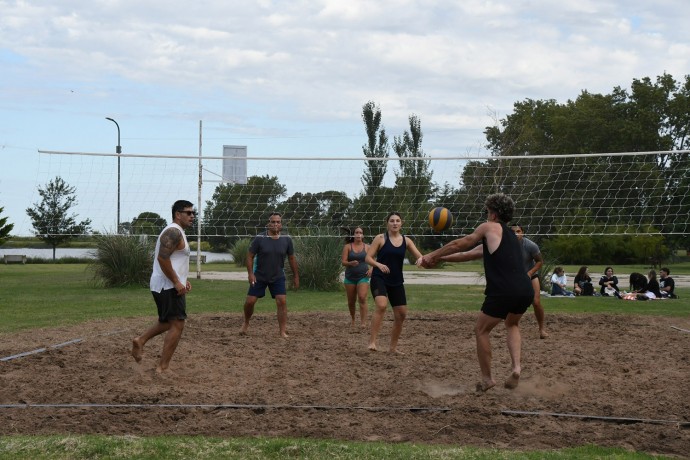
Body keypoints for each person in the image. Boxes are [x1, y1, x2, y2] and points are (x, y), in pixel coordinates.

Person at [421, 193, 534, 392]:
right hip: (525, 288)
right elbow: (468, 254)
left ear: (492, 214)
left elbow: (461, 243)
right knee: (512, 323)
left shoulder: (488, 227)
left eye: (487, 211)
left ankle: (487, 379)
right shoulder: (509, 238)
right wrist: (441, 260)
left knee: (481, 330)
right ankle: (516, 368)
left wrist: (432, 254)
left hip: (503, 290)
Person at [131, 200, 195, 373]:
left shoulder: (178, 231)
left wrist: (182, 279)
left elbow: (174, 260)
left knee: (167, 322)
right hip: (167, 286)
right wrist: (175, 281)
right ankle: (162, 367)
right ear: (177, 214)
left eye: (193, 213)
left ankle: (140, 340)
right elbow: (162, 258)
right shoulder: (173, 231)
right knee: (177, 324)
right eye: (188, 213)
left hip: (166, 284)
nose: (192, 216)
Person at [365, 212, 424, 353]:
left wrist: (420, 261)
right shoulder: (380, 238)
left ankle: (393, 348)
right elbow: (368, 258)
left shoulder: (407, 240)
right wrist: (378, 265)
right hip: (379, 278)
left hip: (396, 281)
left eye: (397, 221)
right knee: (381, 305)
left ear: (401, 223)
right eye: (392, 221)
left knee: (402, 314)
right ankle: (372, 342)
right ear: (387, 223)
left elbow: (420, 256)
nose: (395, 223)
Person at [241, 212, 299, 338]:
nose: (275, 224)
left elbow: (292, 258)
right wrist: (250, 274)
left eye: (278, 222)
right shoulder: (259, 238)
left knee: (282, 301)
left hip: (277, 276)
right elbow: (250, 256)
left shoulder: (286, 239)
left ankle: (282, 331)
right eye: (273, 222)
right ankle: (246, 322)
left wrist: (296, 276)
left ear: (281, 224)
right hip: (259, 276)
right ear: (268, 224)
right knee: (250, 302)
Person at [511, 224, 549, 338]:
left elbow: (540, 261)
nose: (516, 234)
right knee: (512, 303)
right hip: (514, 277)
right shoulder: (505, 245)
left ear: (522, 232)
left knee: (536, 302)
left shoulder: (530, 245)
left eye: (518, 231)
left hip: (530, 275)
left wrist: (530, 272)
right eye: (513, 232)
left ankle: (542, 329)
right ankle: (512, 326)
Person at [341, 226, 371, 329]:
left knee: (362, 298)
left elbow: (373, 261)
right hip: (350, 277)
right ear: (353, 235)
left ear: (363, 235)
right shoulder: (348, 247)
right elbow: (343, 262)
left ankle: (363, 322)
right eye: (356, 232)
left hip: (363, 276)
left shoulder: (367, 247)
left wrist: (372, 269)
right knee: (351, 301)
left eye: (360, 232)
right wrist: (350, 263)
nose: (358, 234)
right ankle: (353, 319)